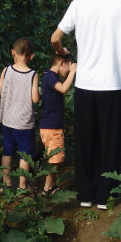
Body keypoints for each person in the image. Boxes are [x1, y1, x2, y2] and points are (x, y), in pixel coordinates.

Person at [51, 0, 121, 209]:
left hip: (85, 84)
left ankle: (86, 195)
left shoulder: (79, 4)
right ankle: (105, 196)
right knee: (109, 140)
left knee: (86, 139)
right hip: (112, 83)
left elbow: (55, 37)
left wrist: (64, 52)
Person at [0, 37, 40, 190]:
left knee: (7, 151)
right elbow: (35, 98)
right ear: (31, 56)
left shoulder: (6, 70)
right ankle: (22, 186)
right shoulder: (33, 74)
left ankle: (6, 183)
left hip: (8, 119)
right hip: (24, 122)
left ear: (12, 52)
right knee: (25, 155)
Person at [40, 53, 77, 196]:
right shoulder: (50, 77)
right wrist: (73, 71)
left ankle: (52, 186)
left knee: (54, 157)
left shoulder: (49, 76)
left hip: (49, 125)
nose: (68, 72)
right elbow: (64, 89)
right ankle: (47, 188)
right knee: (54, 159)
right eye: (68, 67)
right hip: (52, 127)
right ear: (62, 63)